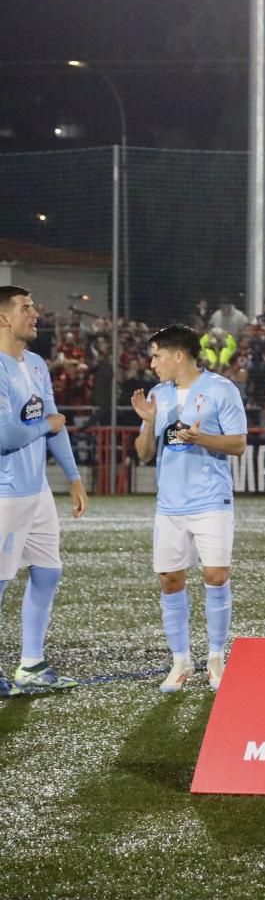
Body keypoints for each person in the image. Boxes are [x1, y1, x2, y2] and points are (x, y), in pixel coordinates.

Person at [131, 324, 247, 692]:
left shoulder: (221, 389)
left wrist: (203, 438)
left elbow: (239, 444)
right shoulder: (157, 395)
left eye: (157, 355)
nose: (152, 363)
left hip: (211, 499)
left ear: (178, 355)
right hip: (170, 504)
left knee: (215, 576)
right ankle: (180, 662)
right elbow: (145, 454)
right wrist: (148, 424)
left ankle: (215, 657)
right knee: (170, 580)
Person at [0, 286, 88, 695]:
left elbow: (54, 420)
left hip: (36, 492)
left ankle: (31, 664)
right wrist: (45, 427)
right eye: (26, 308)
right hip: (5, 493)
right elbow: (6, 434)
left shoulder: (35, 364)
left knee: (48, 571)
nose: (35, 314)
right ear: (3, 318)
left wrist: (72, 478)